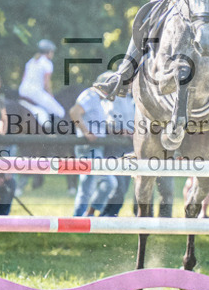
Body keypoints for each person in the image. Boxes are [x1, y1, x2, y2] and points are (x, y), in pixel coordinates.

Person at [69, 86, 118, 217]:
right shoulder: (91, 95)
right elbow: (74, 112)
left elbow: (101, 125)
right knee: (108, 182)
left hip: (95, 147)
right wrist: (86, 131)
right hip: (88, 147)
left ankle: (80, 218)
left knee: (87, 185)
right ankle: (84, 216)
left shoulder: (100, 100)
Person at [99, 91, 135, 217]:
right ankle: (105, 215)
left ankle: (110, 215)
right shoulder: (113, 99)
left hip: (129, 146)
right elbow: (108, 123)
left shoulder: (132, 98)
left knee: (123, 186)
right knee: (118, 185)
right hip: (115, 146)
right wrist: (124, 131)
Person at [18, 39, 65, 123]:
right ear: (49, 52)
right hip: (35, 92)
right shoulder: (47, 63)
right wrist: (51, 95)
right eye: (52, 52)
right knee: (60, 111)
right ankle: (53, 132)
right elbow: (46, 84)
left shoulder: (31, 61)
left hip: (22, 90)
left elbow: (23, 78)